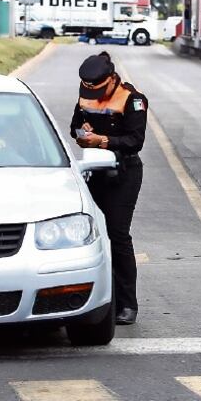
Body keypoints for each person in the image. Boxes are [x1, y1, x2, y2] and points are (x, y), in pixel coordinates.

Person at [69, 52, 148, 326]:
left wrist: (102, 140)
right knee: (92, 234)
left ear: (112, 79)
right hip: (95, 171)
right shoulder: (86, 95)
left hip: (124, 172)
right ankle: (98, 300)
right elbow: (74, 127)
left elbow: (135, 141)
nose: (94, 95)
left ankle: (127, 305)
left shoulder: (132, 99)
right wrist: (82, 133)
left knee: (117, 234)